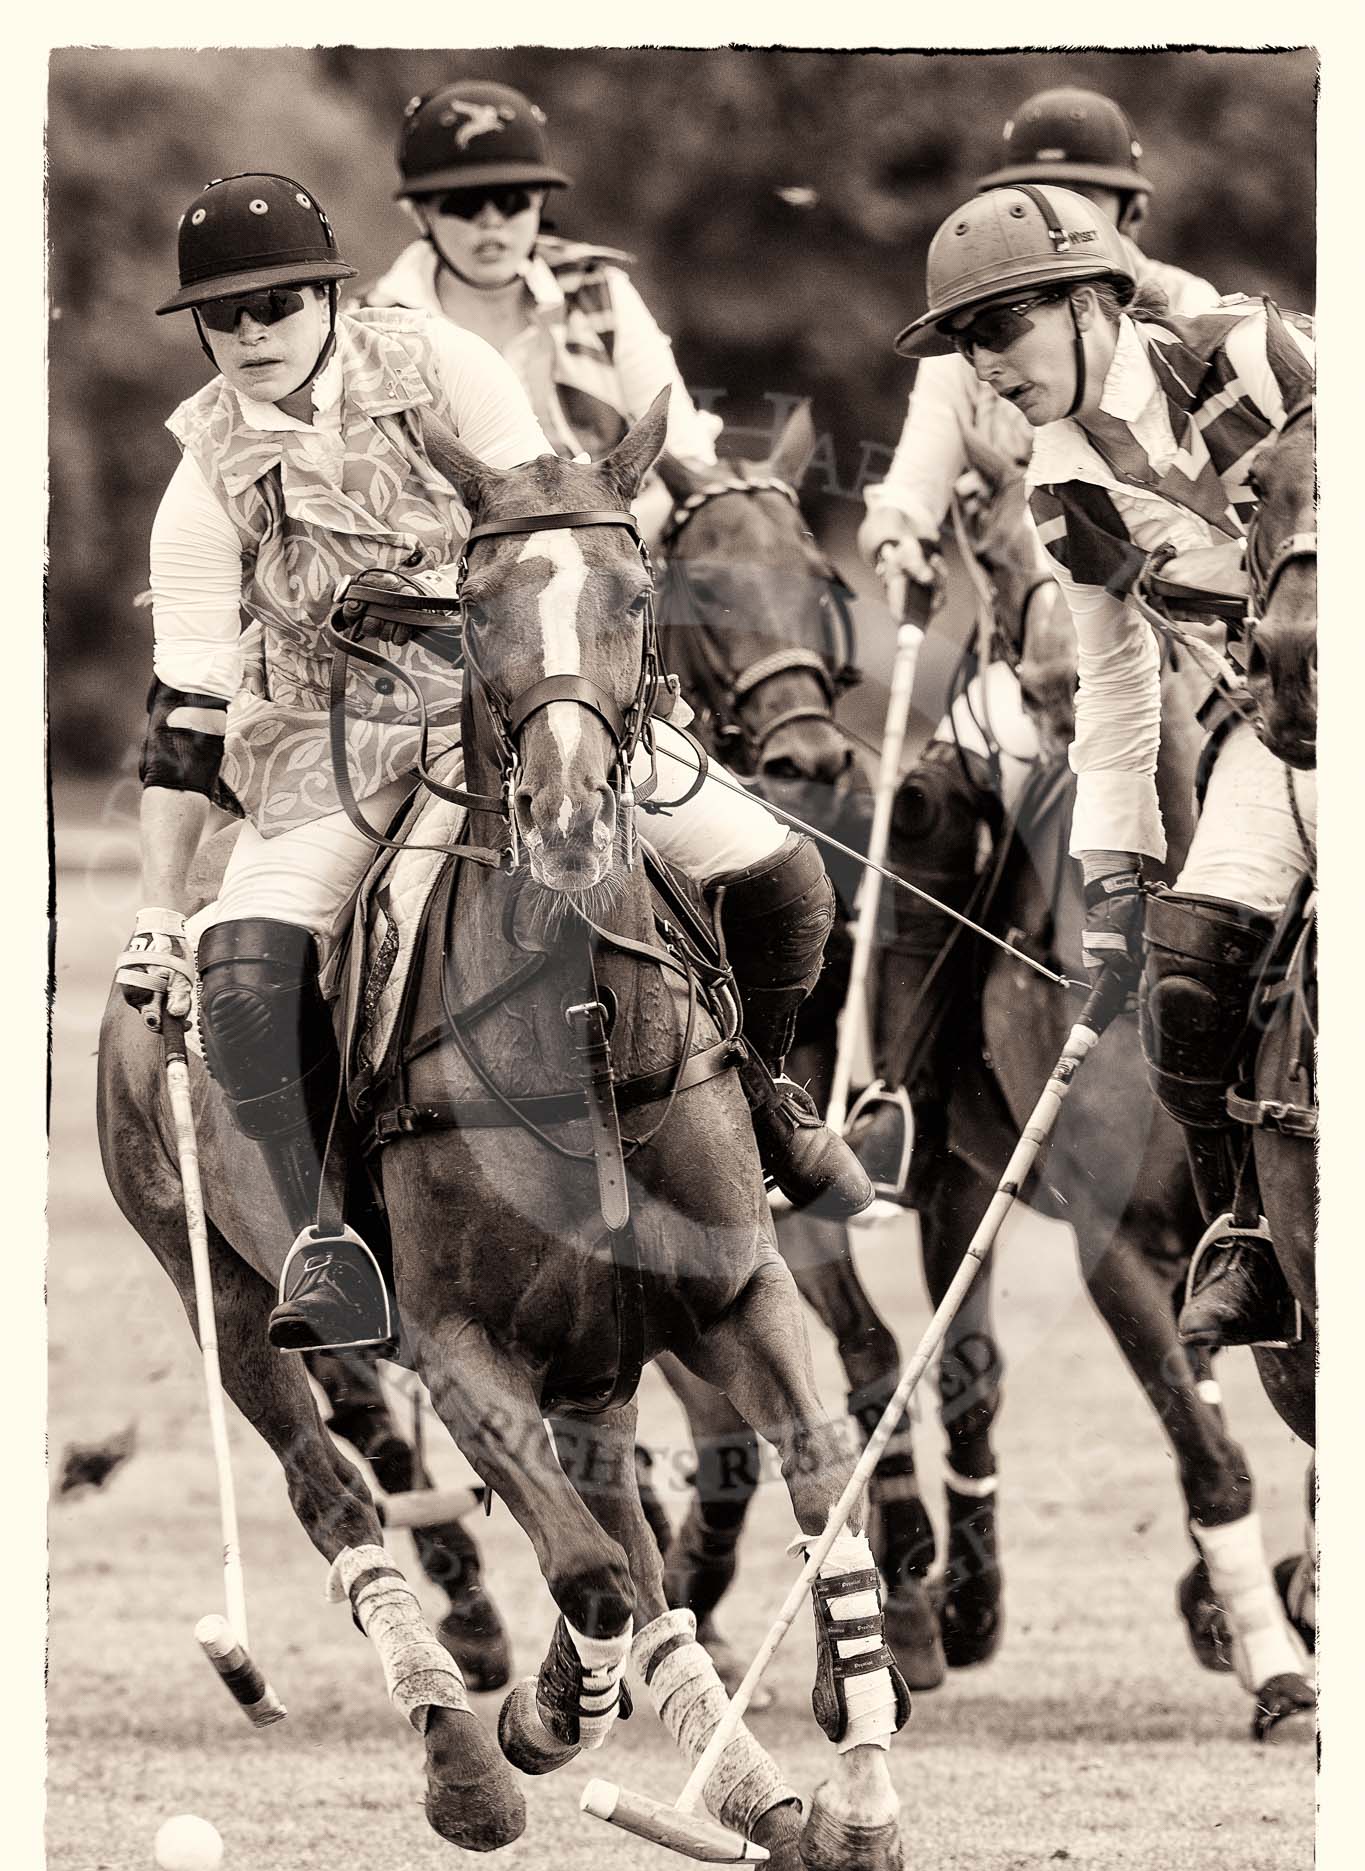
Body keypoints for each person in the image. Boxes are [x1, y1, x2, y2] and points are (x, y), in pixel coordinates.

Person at [115, 170, 870, 1357]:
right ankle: (328, 1240)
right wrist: (161, 905)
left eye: (276, 305)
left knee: (786, 877)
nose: (252, 334)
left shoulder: (445, 365)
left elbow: (556, 518)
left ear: (328, 295)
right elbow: (185, 708)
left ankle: (768, 1099)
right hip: (333, 753)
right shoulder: (199, 477)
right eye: (225, 316)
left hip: (526, 708)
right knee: (245, 980)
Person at [893, 180, 1314, 1349]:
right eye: (963, 343)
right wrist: (1116, 875)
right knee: (1195, 962)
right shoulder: (1065, 484)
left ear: (1089, 301)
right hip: (1271, 739)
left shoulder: (1255, 350)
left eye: (997, 328)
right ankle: (1250, 1229)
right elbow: (1118, 683)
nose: (982, 365)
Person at [850, 89, 1222, 1164]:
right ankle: (908, 1097)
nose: (1066, 210)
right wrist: (897, 530)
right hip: (1032, 662)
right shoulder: (967, 354)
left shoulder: (1190, 315)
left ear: (1127, 219)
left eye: (1090, 200)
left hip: (1196, 653)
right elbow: (911, 478)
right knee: (924, 809)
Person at [364, 79, 720, 543]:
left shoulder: (601, 292)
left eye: (513, 200)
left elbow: (689, 460)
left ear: (540, 203)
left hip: (616, 559)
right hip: (455, 581)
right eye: (465, 203)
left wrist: (596, 545)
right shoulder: (369, 326)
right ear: (420, 213)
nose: (492, 221)